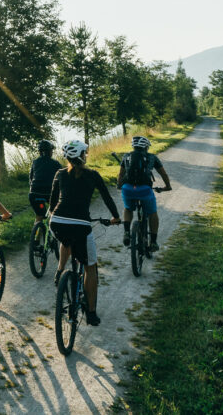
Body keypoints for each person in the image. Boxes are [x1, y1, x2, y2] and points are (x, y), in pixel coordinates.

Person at [48, 140, 120, 326]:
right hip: (80, 225)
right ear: (82, 155)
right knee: (90, 267)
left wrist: (57, 215)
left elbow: (52, 202)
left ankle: (60, 271)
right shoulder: (93, 175)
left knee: (66, 240)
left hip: (56, 223)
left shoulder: (60, 173)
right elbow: (107, 198)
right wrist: (116, 218)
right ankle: (91, 312)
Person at [117, 135, 172, 252]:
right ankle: (153, 242)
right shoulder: (152, 157)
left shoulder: (126, 156)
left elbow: (120, 175)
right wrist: (167, 186)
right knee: (152, 213)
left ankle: (127, 232)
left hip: (127, 189)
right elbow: (164, 174)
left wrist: (119, 186)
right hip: (144, 190)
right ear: (146, 147)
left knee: (128, 208)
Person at [28, 139, 63, 223]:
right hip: (49, 194)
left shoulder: (35, 162)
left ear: (40, 152)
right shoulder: (55, 163)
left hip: (34, 194)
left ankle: (37, 233)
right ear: (50, 151)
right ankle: (52, 228)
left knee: (39, 215)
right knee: (55, 212)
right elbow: (62, 178)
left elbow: (31, 178)